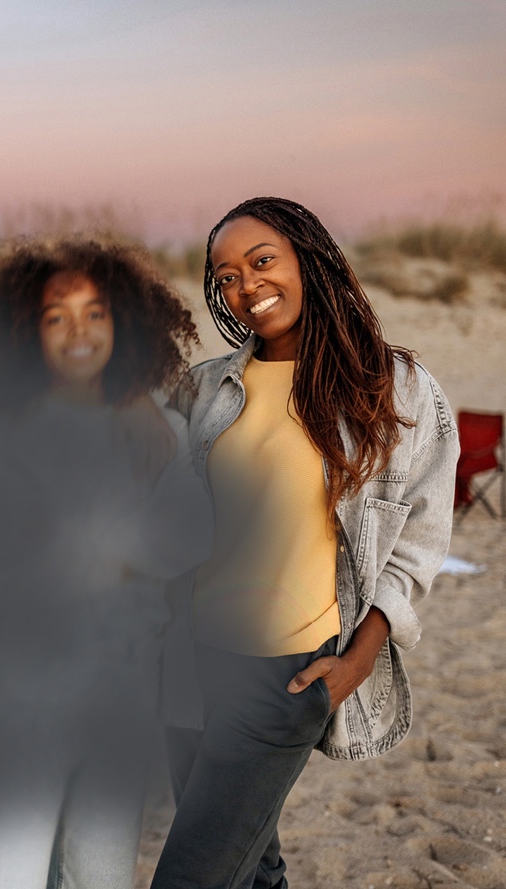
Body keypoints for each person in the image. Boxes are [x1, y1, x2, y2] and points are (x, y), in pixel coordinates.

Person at [152, 197, 459, 889]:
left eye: (261, 261)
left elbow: (419, 535)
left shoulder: (394, 386)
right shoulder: (203, 388)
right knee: (251, 865)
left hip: (284, 675)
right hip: (188, 666)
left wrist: (361, 651)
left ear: (307, 259)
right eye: (225, 275)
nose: (245, 285)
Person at [0, 238, 211, 889]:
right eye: (54, 315)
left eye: (96, 312)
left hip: (121, 691)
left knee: (98, 870)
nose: (77, 331)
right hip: (19, 692)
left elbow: (190, 535)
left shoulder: (161, 430)